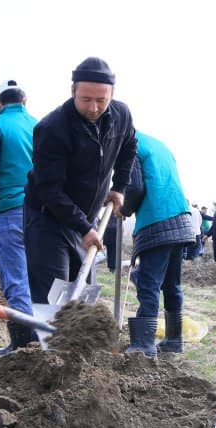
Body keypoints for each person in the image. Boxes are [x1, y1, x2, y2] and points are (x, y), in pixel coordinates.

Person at [24, 57, 136, 307]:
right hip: (48, 218)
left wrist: (119, 187)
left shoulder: (121, 115)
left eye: (101, 100)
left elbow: (129, 146)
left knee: (82, 294)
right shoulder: (52, 128)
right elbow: (49, 190)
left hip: (87, 217)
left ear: (112, 95)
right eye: (86, 99)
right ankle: (43, 343)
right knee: (52, 294)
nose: (94, 107)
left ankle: (77, 344)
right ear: (73, 91)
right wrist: (85, 228)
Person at [120, 132, 197, 356]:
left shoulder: (130, 145)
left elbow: (134, 188)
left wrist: (122, 208)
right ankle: (174, 340)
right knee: (171, 284)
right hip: (181, 218)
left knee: (148, 284)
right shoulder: (156, 144)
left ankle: (144, 345)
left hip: (157, 219)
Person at [0, 79, 38, 352]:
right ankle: (43, 337)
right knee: (36, 276)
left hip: (7, 210)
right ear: (24, 101)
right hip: (38, 212)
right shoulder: (38, 125)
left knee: (15, 277)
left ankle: (24, 343)